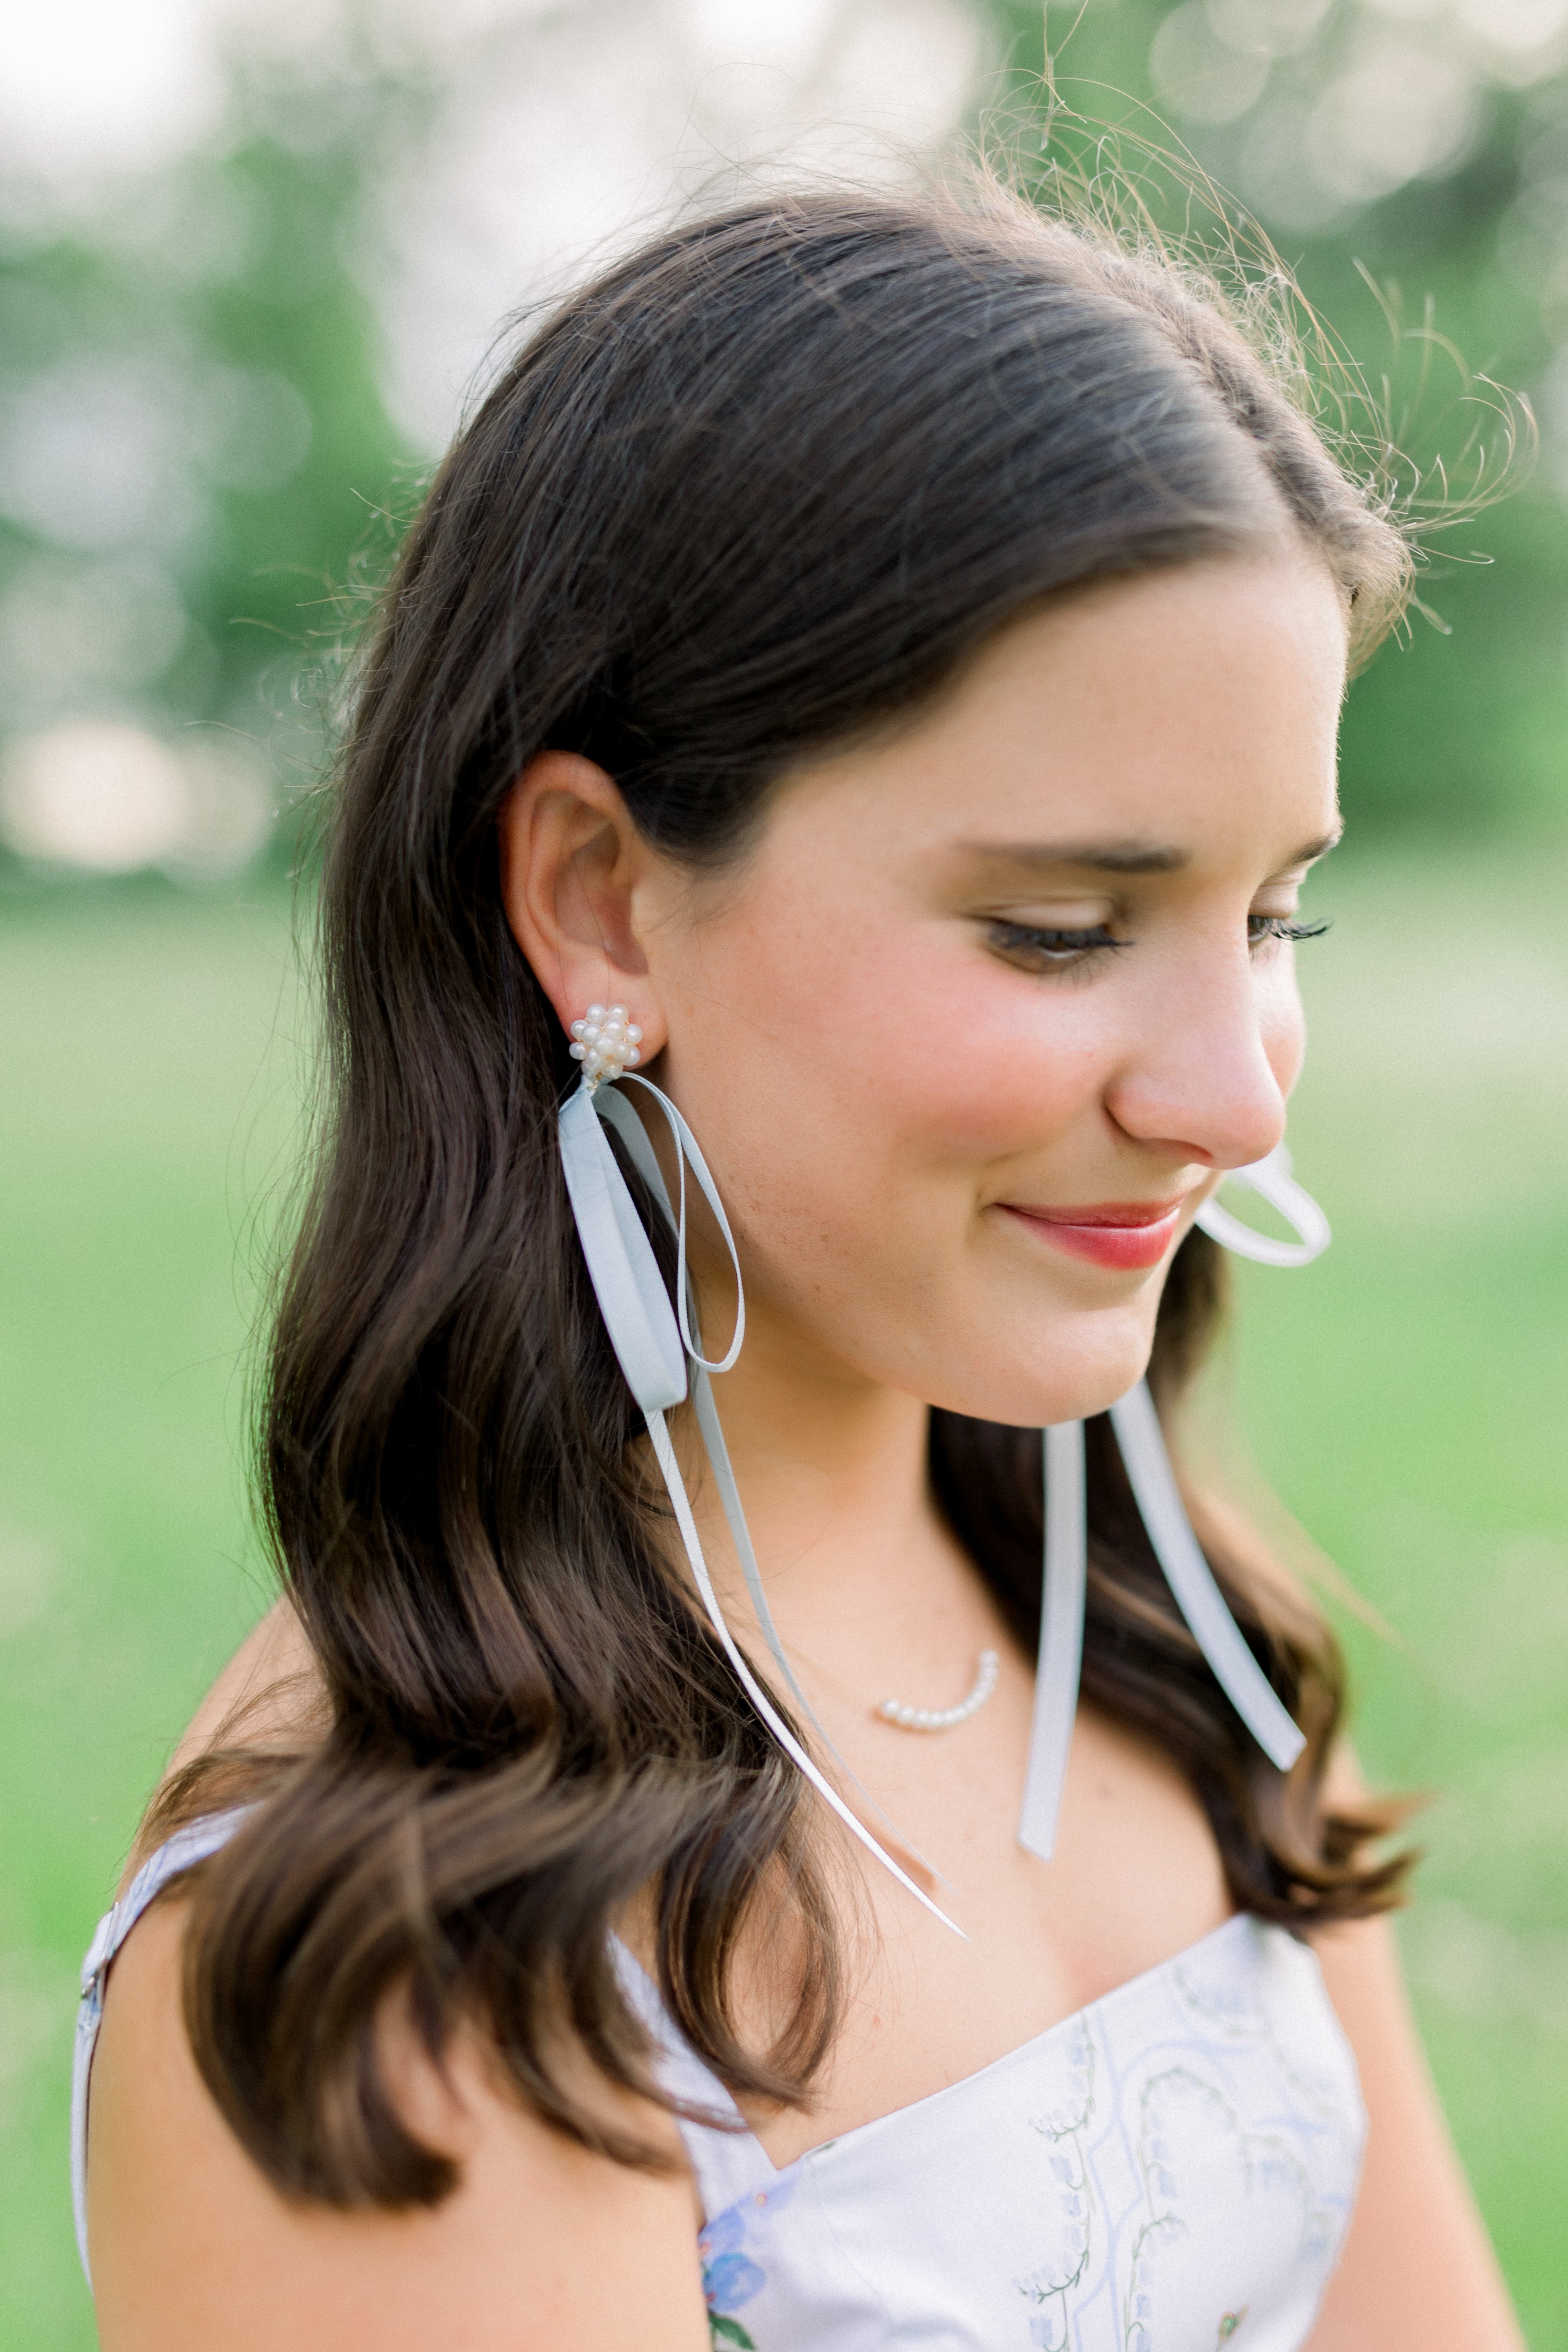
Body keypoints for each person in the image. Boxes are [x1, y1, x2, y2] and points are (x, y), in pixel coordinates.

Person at [75, 183, 1526, 2350]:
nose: (1236, 1099)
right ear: (602, 902)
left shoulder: (1161, 1625)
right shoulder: (429, 1932)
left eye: (1273, 918)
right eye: (1062, 927)